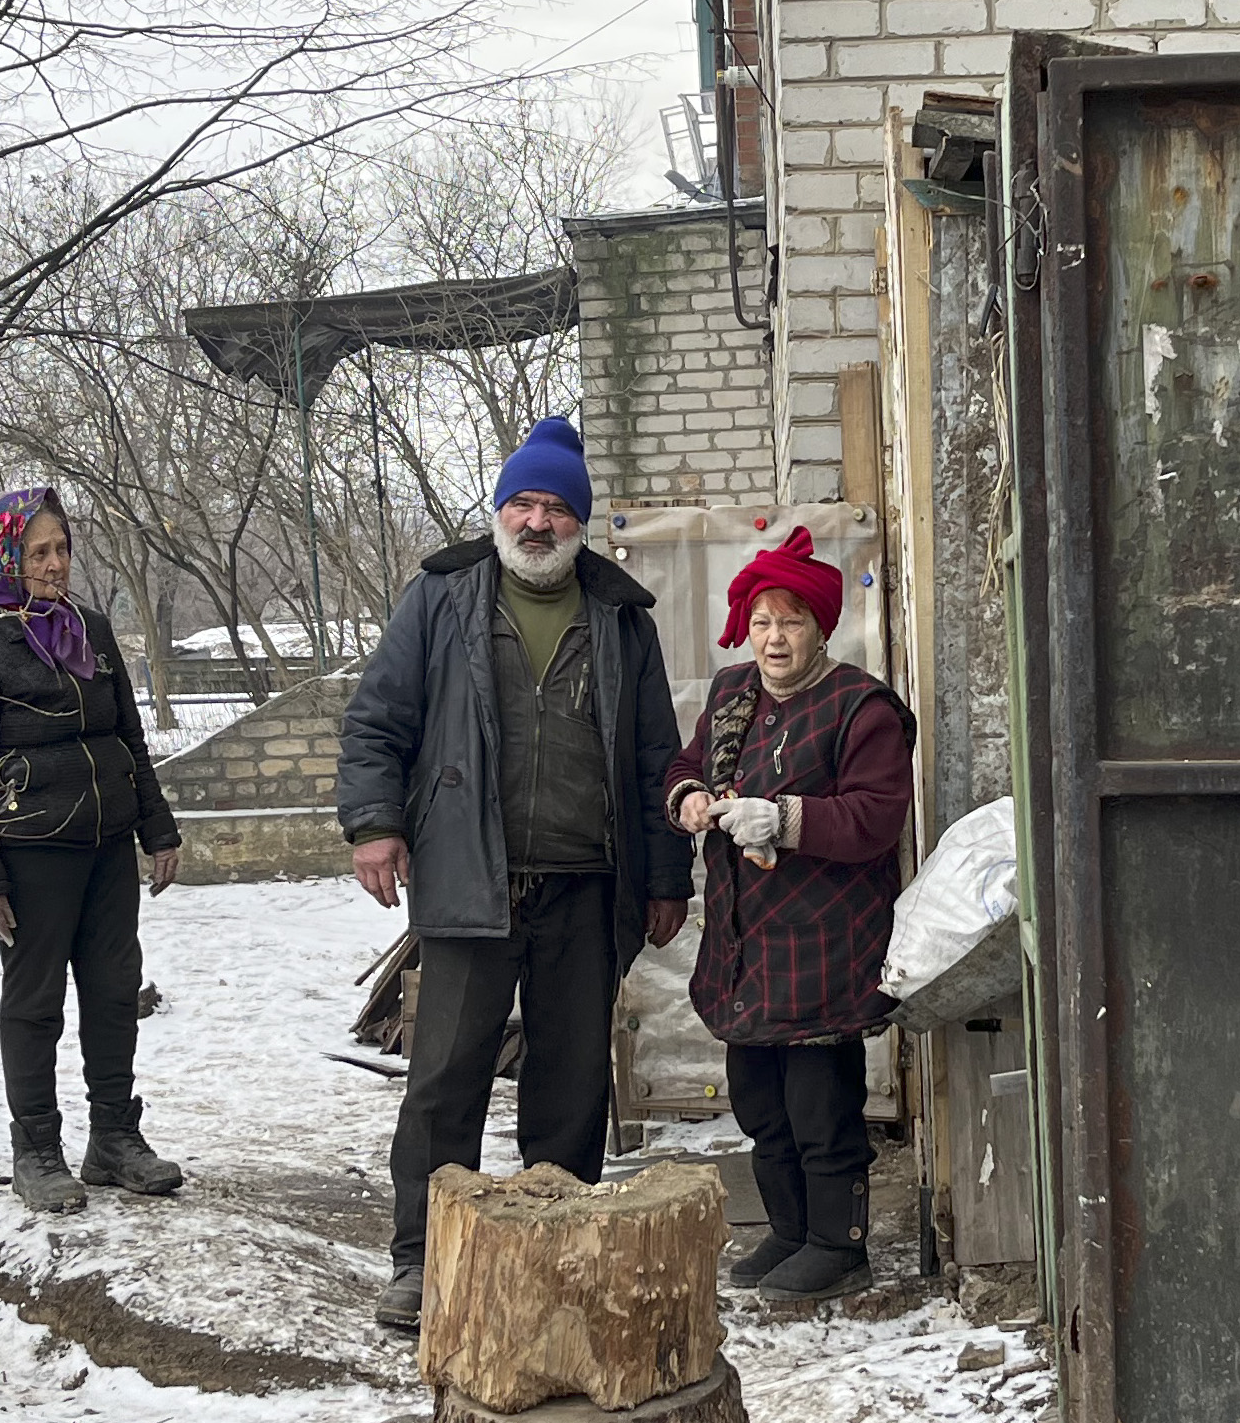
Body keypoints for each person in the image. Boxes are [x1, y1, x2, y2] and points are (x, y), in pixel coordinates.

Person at [337, 416, 692, 1332]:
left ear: (580, 522)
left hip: (586, 888)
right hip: (467, 883)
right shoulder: (442, 597)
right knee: (444, 1083)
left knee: (571, 1087)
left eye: (555, 507)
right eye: (522, 503)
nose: (537, 521)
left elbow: (658, 756)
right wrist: (374, 823)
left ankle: (558, 1251)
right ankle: (422, 1264)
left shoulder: (621, 616)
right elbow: (379, 720)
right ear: (500, 511)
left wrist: (666, 876)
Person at [661, 525, 913, 1309]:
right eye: (763, 620)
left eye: (792, 621)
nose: (775, 637)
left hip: (824, 945)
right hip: (744, 945)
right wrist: (691, 799)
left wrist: (788, 821)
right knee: (760, 1105)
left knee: (819, 1108)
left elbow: (876, 817)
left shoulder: (861, 708)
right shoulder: (732, 694)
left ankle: (839, 1245)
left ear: (821, 628)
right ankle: (789, 1227)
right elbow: (684, 765)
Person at [0, 485, 188, 1215]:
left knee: (113, 991)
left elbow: (128, 739)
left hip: (108, 846)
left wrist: (156, 828)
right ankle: (36, 1150)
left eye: (63, 549)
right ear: (5, 557)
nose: (55, 565)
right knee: (37, 1001)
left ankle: (114, 1138)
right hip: (29, 853)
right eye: (38, 552)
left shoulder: (92, 631)